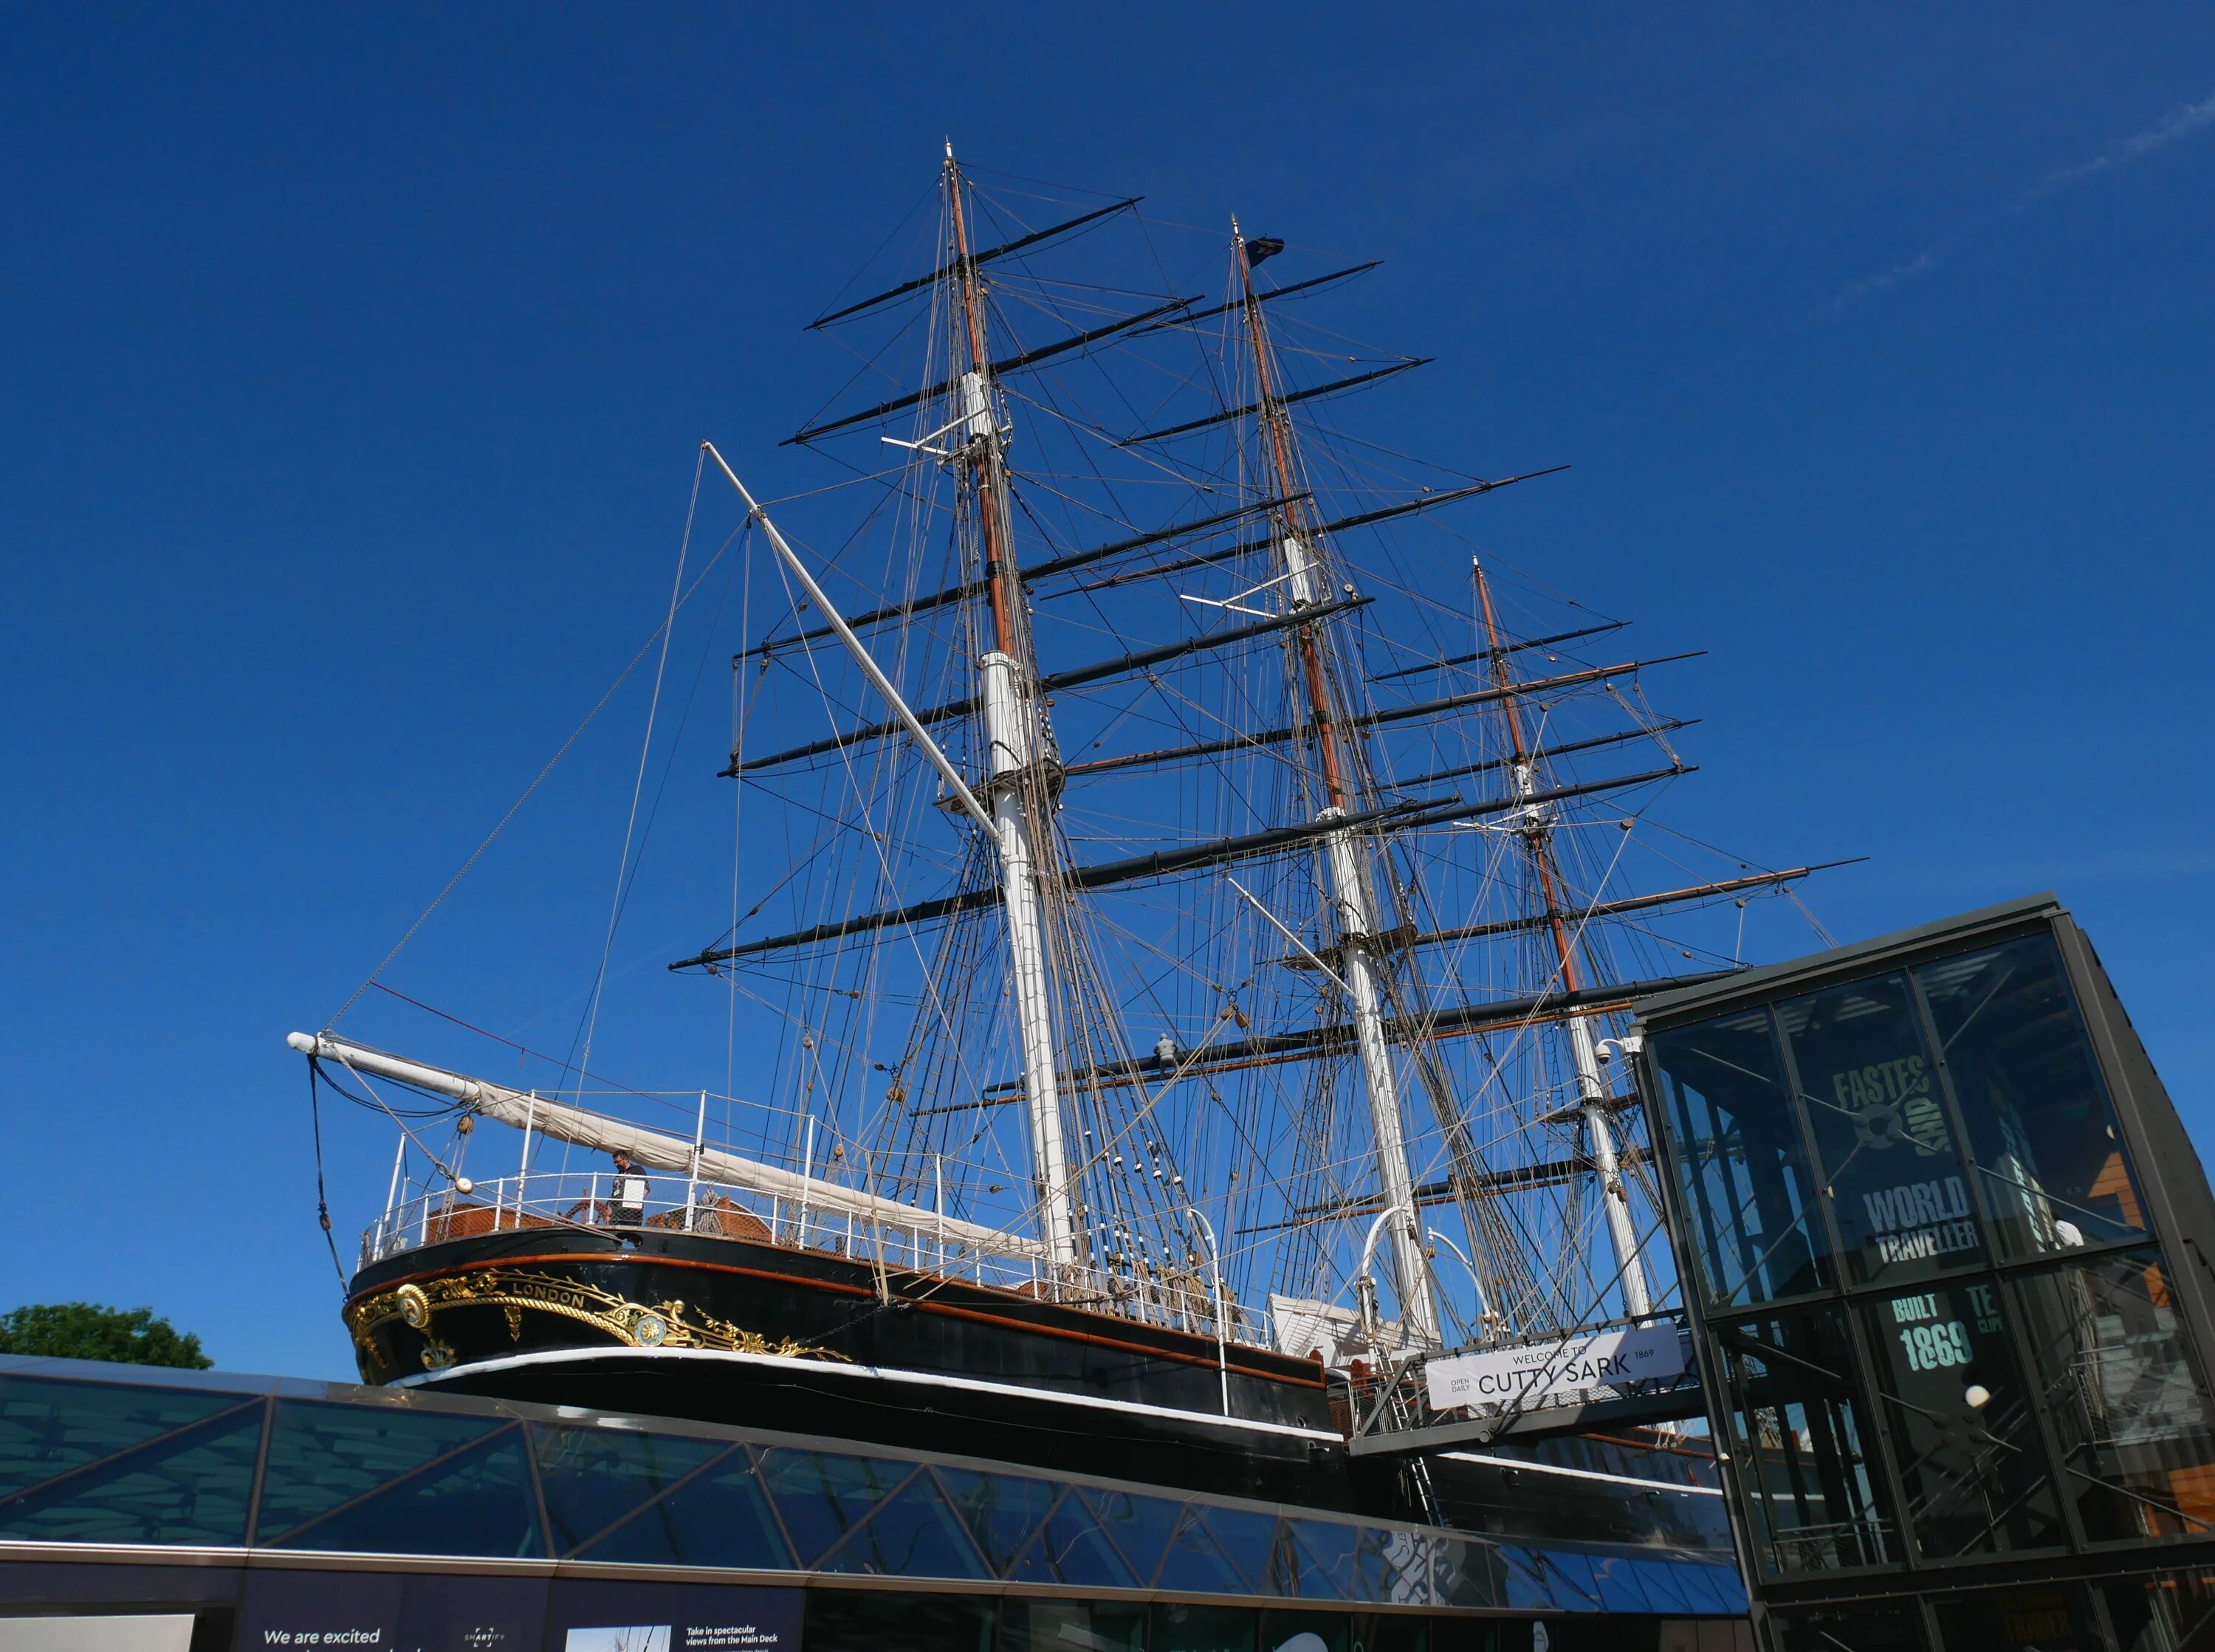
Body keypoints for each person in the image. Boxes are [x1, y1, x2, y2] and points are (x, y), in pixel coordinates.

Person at [608, 1149, 649, 1228]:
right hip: (617, 1212)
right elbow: (614, 1194)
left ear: (625, 1160)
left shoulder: (637, 1170)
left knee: (633, 1235)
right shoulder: (618, 1176)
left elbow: (646, 1188)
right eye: (615, 1162)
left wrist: (639, 1203)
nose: (616, 1165)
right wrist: (610, 1211)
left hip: (631, 1211)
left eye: (618, 1162)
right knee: (614, 1237)